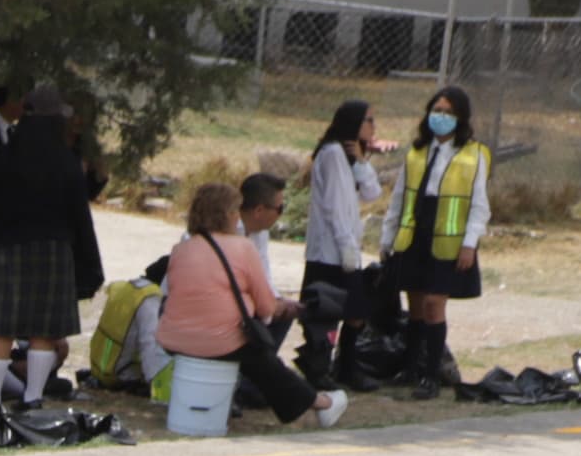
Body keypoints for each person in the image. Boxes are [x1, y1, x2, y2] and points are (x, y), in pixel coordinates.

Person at [154, 182, 344, 431]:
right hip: (219, 341)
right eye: (235, 211)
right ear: (227, 215)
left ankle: (312, 401)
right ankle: (317, 402)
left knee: (250, 353)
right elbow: (266, 308)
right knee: (255, 351)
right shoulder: (243, 247)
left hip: (172, 338)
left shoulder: (181, 249)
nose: (238, 217)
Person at [0, 80, 91, 402]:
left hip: (7, 248)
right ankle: (34, 399)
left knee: (1, 328)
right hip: (54, 249)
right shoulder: (65, 160)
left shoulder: (4, 156)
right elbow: (79, 211)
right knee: (44, 330)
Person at [377, 82, 488, 400]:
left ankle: (431, 375)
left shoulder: (473, 155)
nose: (441, 117)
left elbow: (479, 204)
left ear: (461, 118)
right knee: (415, 305)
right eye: (437, 110)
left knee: (433, 304)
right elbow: (399, 198)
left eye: (448, 112)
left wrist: (469, 243)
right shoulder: (416, 152)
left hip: (448, 240)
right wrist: (388, 238)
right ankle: (410, 367)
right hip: (416, 233)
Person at [298, 98, 391, 388]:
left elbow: (372, 194)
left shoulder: (348, 156)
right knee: (326, 311)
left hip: (345, 247)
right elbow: (335, 206)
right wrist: (346, 247)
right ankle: (318, 368)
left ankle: (345, 367)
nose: (373, 126)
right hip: (331, 251)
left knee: (356, 313)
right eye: (369, 120)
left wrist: (362, 162)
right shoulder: (332, 154)